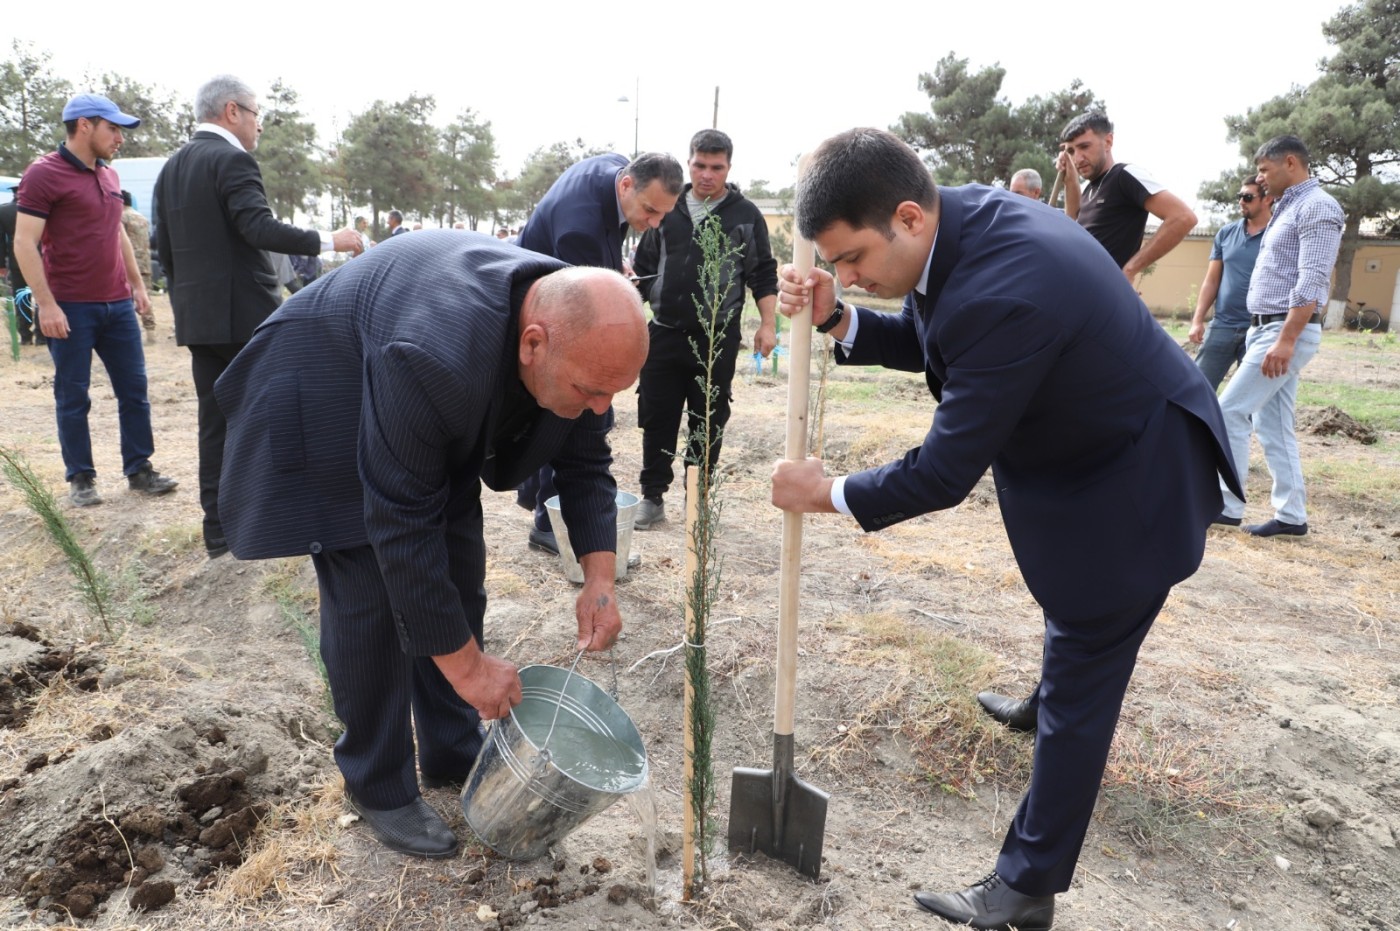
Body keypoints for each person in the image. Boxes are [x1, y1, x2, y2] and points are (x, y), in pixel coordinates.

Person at [771, 128, 1238, 931]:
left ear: (908, 217)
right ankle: (1047, 691)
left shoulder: (1007, 285)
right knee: (1075, 637)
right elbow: (935, 335)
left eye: (849, 261)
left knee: (1087, 664)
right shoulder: (962, 229)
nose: (845, 275)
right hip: (1093, 454)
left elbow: (943, 472)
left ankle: (1024, 889)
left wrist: (830, 493)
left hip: (1134, 484)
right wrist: (842, 317)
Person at [214, 232, 646, 858]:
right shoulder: (433, 352)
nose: (601, 406)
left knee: (459, 563)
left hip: (411, 392)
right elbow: (400, 522)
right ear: (533, 345)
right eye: (591, 392)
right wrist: (471, 669)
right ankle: (378, 782)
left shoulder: (578, 338)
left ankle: (449, 746)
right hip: (322, 384)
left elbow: (585, 465)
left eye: (614, 392)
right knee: (369, 588)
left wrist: (599, 581)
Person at [154, 74, 363, 559]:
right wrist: (331, 240)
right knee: (289, 412)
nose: (259, 126)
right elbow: (258, 227)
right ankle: (291, 519)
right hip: (245, 314)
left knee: (215, 422)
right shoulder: (232, 158)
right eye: (256, 115)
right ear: (232, 111)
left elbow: (164, 249)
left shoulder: (171, 168)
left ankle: (219, 532)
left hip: (197, 319)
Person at [14, 93, 178, 507]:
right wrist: (47, 304)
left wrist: (138, 285)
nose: (119, 137)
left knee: (135, 390)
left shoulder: (109, 175)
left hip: (117, 304)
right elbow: (24, 243)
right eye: (113, 128)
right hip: (70, 305)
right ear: (84, 125)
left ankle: (139, 470)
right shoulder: (43, 174)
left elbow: (117, 230)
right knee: (74, 395)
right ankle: (81, 477)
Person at [515, 150, 683, 554]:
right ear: (626, 185)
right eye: (650, 210)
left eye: (663, 213)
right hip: (543, 319)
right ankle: (550, 523)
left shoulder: (615, 165)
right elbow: (589, 313)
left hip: (562, 292)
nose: (655, 223)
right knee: (574, 410)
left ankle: (537, 496)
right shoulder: (580, 229)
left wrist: (613, 267)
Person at [630, 130, 778, 529]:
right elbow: (641, 273)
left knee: (708, 418)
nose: (707, 174)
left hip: (716, 338)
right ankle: (652, 497)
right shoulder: (667, 209)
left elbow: (763, 274)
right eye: (699, 165)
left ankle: (697, 500)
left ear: (729, 168)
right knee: (657, 415)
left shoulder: (745, 215)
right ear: (689, 161)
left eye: (716, 167)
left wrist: (768, 324)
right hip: (662, 333)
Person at [1216, 135, 1343, 538]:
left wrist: (1286, 339)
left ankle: (1227, 505)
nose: (1260, 178)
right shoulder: (1288, 206)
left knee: (1230, 410)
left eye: (1265, 170)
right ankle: (1291, 516)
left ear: (1291, 163)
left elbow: (1313, 278)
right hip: (1266, 329)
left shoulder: (1318, 207)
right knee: (1273, 424)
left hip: (1284, 330)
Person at [1057, 112, 1197, 282]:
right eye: (1071, 151)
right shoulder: (1089, 190)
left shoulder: (1124, 175)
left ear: (1108, 142)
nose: (1077, 158)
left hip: (1108, 297)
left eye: (1084, 147)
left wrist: (1129, 270)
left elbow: (1183, 217)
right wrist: (1069, 179)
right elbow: (1071, 225)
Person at [1188, 178, 1274, 390]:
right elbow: (1212, 280)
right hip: (1222, 325)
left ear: (1267, 199)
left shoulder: (1279, 234)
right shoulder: (1226, 233)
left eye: (1247, 197)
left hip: (1261, 328)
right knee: (1198, 388)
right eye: (1239, 197)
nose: (1241, 202)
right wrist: (1197, 320)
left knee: (1250, 398)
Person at [1, 185, 44, 346]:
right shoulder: (41, 209)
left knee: (21, 298)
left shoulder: (4, 211)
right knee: (42, 297)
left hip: (17, 260)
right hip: (42, 259)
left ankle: (25, 336)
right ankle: (42, 335)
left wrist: (1, 264)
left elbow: (0, 242)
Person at [119, 190, 157, 344]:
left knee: (126, 299)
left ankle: (128, 333)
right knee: (144, 297)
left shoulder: (121, 217)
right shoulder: (141, 217)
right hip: (145, 262)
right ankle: (150, 332)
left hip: (129, 264)